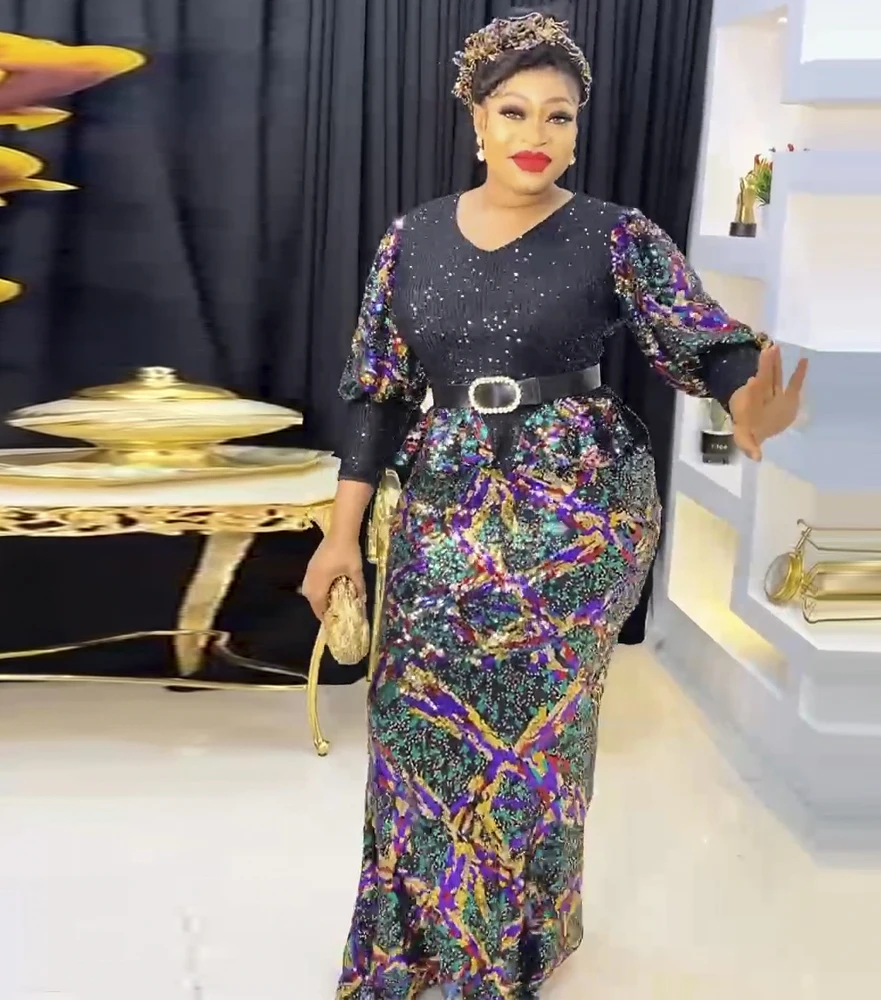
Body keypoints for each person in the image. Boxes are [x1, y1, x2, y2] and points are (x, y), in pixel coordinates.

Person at [302, 12, 806, 999]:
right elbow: (375, 394)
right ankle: (412, 942)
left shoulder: (617, 235)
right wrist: (340, 535)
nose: (536, 132)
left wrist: (745, 395)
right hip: (445, 499)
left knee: (532, 739)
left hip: (579, 509)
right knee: (415, 721)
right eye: (514, 110)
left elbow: (699, 336)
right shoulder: (410, 240)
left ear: (579, 127)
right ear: (476, 119)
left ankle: (511, 946)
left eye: (560, 114)